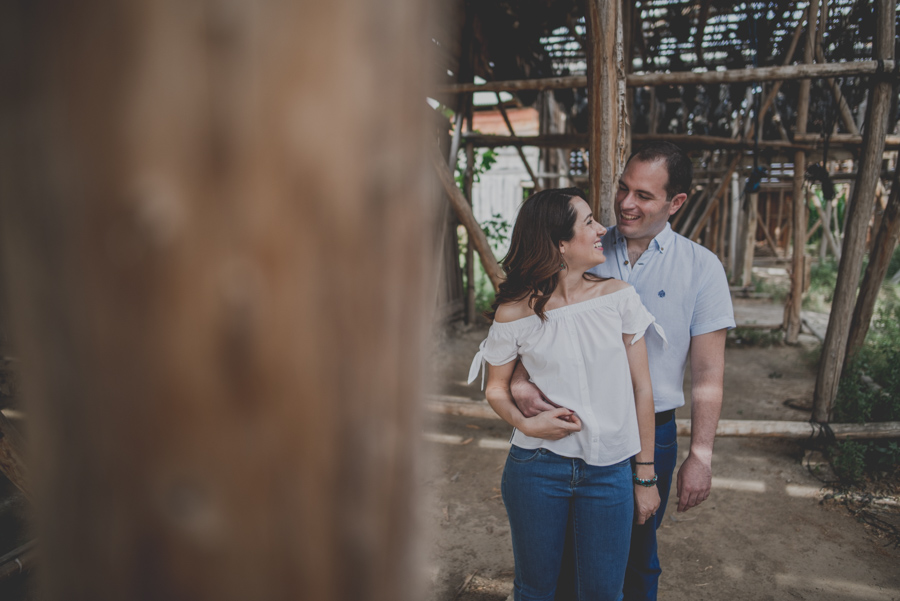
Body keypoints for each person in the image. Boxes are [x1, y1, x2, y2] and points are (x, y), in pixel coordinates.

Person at [510, 142, 735, 601]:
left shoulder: (702, 268)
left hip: (655, 431)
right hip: (570, 427)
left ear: (676, 203)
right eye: (623, 189)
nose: (626, 204)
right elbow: (521, 328)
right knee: (567, 556)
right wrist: (518, 380)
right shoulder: (581, 246)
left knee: (636, 555)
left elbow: (709, 374)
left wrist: (702, 456)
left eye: (645, 196)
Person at [467, 187, 663, 601]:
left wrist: (644, 475)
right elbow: (496, 387)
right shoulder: (515, 312)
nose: (602, 229)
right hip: (537, 467)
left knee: (603, 593)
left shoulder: (618, 298)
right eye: (589, 222)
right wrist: (525, 422)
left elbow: (642, 388)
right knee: (535, 591)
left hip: (610, 471)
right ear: (558, 243)